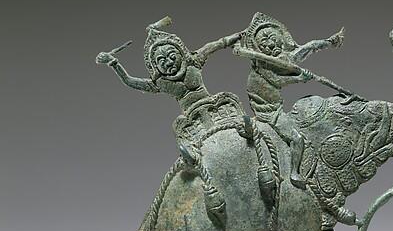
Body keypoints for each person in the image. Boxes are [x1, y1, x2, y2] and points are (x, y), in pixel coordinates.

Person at [238, 12, 344, 189]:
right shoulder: (262, 66)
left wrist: (329, 42)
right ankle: (294, 173)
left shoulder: (283, 58)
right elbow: (277, 81)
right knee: (297, 138)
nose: (271, 45)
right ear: (259, 49)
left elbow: (308, 47)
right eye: (265, 45)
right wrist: (299, 78)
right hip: (268, 111)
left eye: (274, 40)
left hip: (276, 105)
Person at [96, 16, 241, 114]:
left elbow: (217, 44)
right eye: (162, 61)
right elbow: (129, 81)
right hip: (192, 120)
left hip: (215, 108)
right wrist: (114, 63)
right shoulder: (160, 83)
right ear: (155, 66)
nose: (169, 62)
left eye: (172, 56)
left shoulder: (193, 61)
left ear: (181, 53)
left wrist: (239, 36)